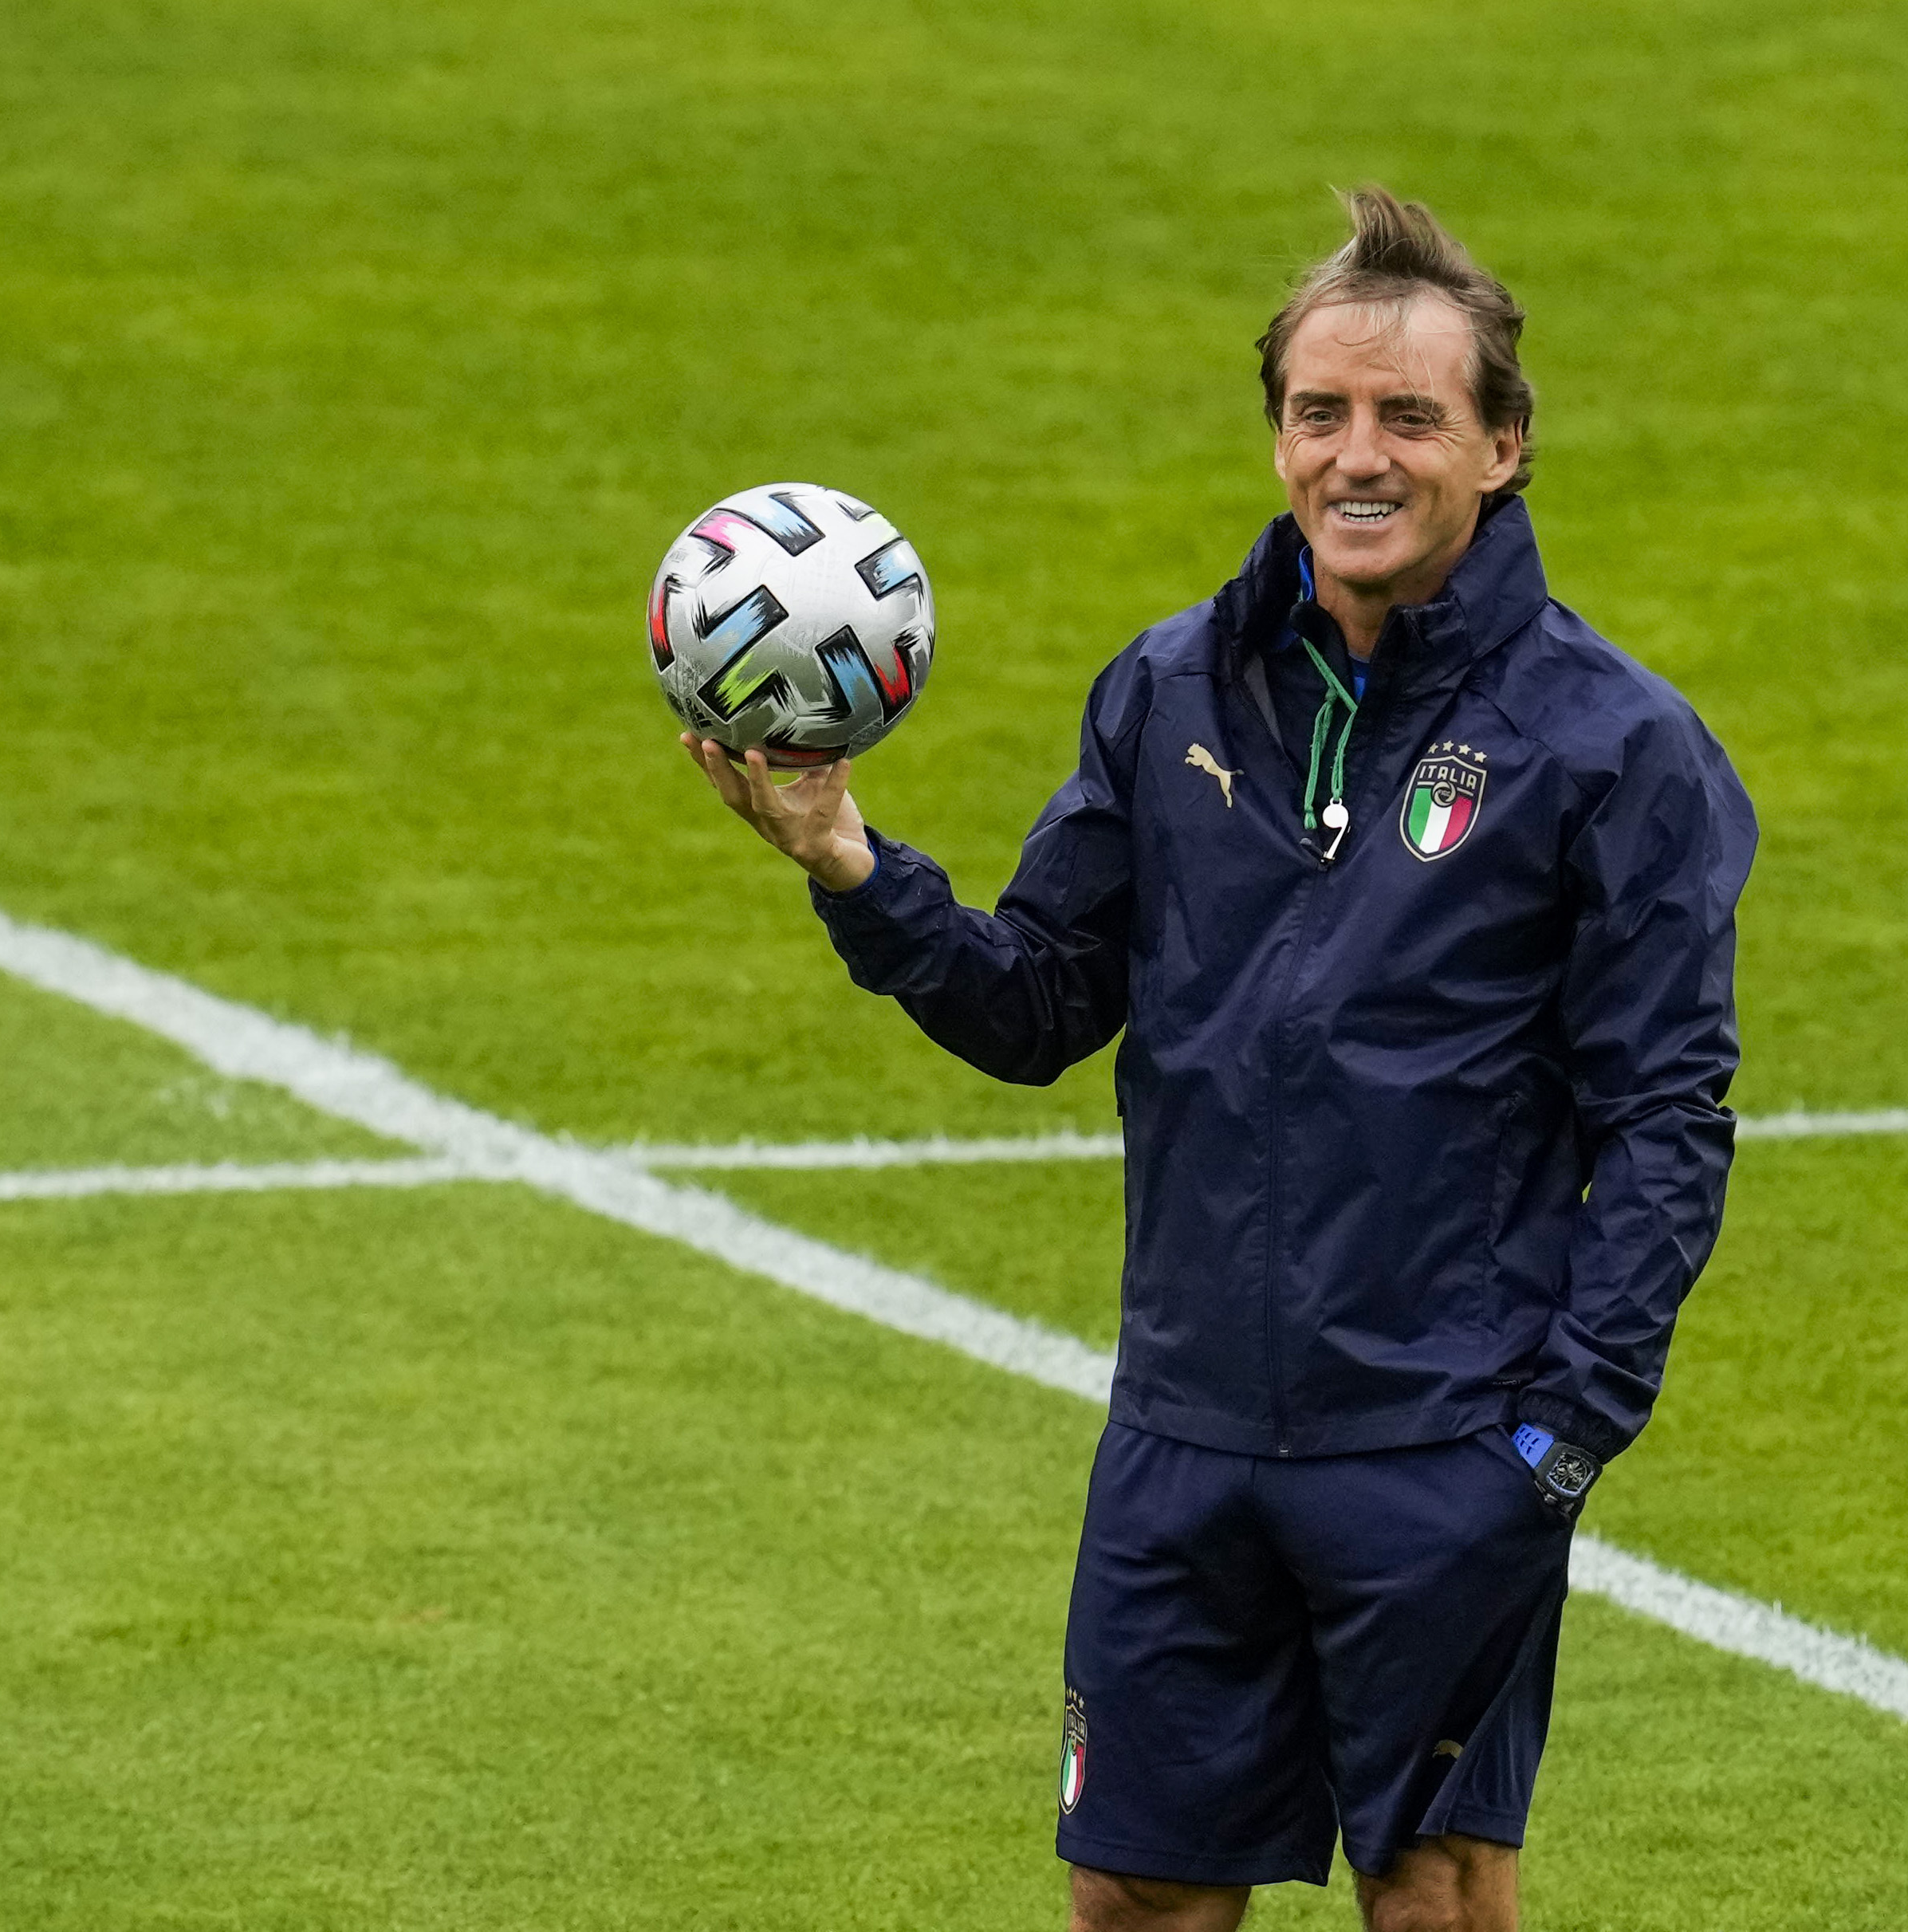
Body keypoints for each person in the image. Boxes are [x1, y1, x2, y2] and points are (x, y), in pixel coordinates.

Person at [684, 187, 1756, 1932]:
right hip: (1185, 1434)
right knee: (1133, 1900)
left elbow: (1660, 1121)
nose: (1358, 455)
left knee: (1433, 1892)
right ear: (1276, 439)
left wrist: (1562, 1437)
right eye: (1319, 412)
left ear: (1500, 448)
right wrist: (851, 870)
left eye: (1408, 417)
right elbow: (1038, 1005)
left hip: (1440, 1437)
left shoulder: (1608, 747)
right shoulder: (1171, 690)